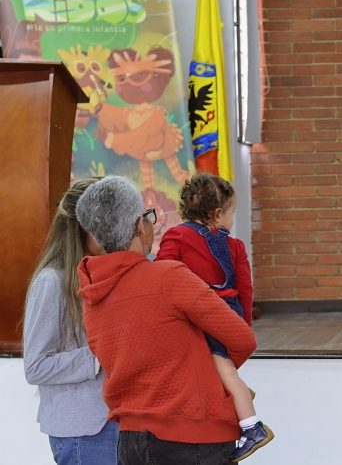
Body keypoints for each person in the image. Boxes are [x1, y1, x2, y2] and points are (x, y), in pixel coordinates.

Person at [74, 175, 258, 465]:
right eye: (148, 216)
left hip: (131, 440)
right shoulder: (167, 276)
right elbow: (242, 338)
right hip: (193, 434)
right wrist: (217, 373)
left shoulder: (91, 293)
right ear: (140, 226)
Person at [155, 173, 272, 462]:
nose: (232, 218)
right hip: (228, 310)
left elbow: (162, 271)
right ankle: (238, 393)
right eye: (232, 212)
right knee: (221, 367)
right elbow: (245, 287)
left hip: (201, 312)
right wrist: (242, 322)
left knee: (219, 368)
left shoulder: (177, 235)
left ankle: (252, 426)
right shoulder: (235, 246)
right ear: (218, 215)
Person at [23, 177, 119, 465]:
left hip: (119, 421)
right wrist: (97, 358)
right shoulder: (51, 281)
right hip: (82, 433)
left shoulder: (109, 274)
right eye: (108, 223)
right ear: (84, 228)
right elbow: (36, 367)